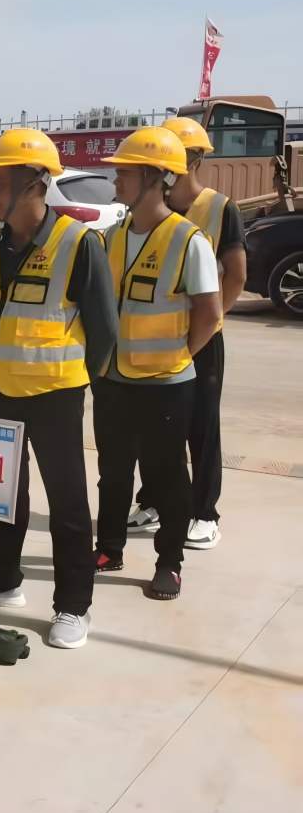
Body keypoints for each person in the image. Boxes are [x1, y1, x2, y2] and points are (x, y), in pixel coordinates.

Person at [0, 127, 117, 650]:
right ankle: (3, 579)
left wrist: (78, 383)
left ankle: (73, 605)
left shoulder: (79, 243)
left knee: (67, 504)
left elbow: (104, 333)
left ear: (34, 183)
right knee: (3, 494)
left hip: (54, 394)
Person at [93, 127, 221, 601]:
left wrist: (179, 355)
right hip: (113, 378)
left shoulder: (189, 241)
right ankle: (109, 548)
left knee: (167, 476)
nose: (116, 180)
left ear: (155, 178)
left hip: (167, 384)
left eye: (125, 173)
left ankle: (169, 562)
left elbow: (209, 313)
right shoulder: (111, 237)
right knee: (113, 470)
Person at [127, 117, 245, 550]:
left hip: (202, 341)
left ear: (192, 160)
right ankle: (154, 501)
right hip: (154, 340)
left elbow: (235, 274)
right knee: (152, 427)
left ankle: (204, 512)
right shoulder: (149, 208)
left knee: (201, 426)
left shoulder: (219, 208)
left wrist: (208, 326)